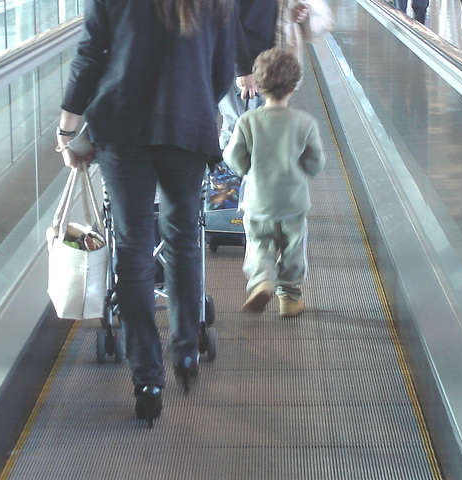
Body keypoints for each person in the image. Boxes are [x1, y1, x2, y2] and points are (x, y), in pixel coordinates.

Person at [56, 0, 236, 428]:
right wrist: (191, 103)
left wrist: (67, 128)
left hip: (122, 130)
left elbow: (90, 54)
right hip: (187, 129)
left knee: (134, 249)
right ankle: (186, 350)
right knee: (182, 240)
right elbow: (223, 68)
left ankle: (147, 380)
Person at [223, 48, 325, 317]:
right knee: (294, 248)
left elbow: (233, 157)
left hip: (258, 201)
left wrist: (247, 168)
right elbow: (316, 162)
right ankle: (289, 299)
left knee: (259, 243)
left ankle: (262, 280)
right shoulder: (305, 122)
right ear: (293, 86)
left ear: (258, 84)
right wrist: (305, 169)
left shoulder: (248, 121)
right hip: (293, 202)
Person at [219, 0, 313, 150]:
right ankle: (224, 170)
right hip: (240, 62)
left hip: (268, 61)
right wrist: (243, 69)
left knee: (260, 125)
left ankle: (250, 171)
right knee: (237, 125)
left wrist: (297, 13)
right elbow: (227, 21)